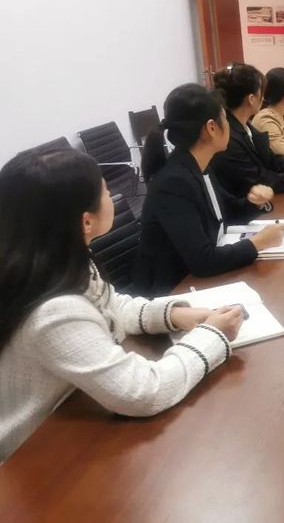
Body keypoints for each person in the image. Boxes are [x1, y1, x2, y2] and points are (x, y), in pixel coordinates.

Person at [0, 149, 245, 461]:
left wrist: (175, 314)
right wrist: (211, 336)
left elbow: (110, 304)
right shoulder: (55, 310)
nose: (112, 196)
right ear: (86, 221)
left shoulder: (49, 261)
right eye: (105, 190)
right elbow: (143, 392)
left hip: (72, 414)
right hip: (35, 457)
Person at [135, 83, 284, 297]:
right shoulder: (174, 182)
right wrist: (258, 242)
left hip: (196, 281)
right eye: (225, 118)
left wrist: (256, 201)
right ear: (212, 128)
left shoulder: (198, 166)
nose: (229, 125)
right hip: (172, 292)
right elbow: (203, 261)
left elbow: (227, 212)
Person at [212, 63, 284, 198]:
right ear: (251, 99)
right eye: (261, 91)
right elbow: (259, 180)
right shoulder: (229, 137)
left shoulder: (246, 126)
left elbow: (272, 159)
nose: (264, 96)